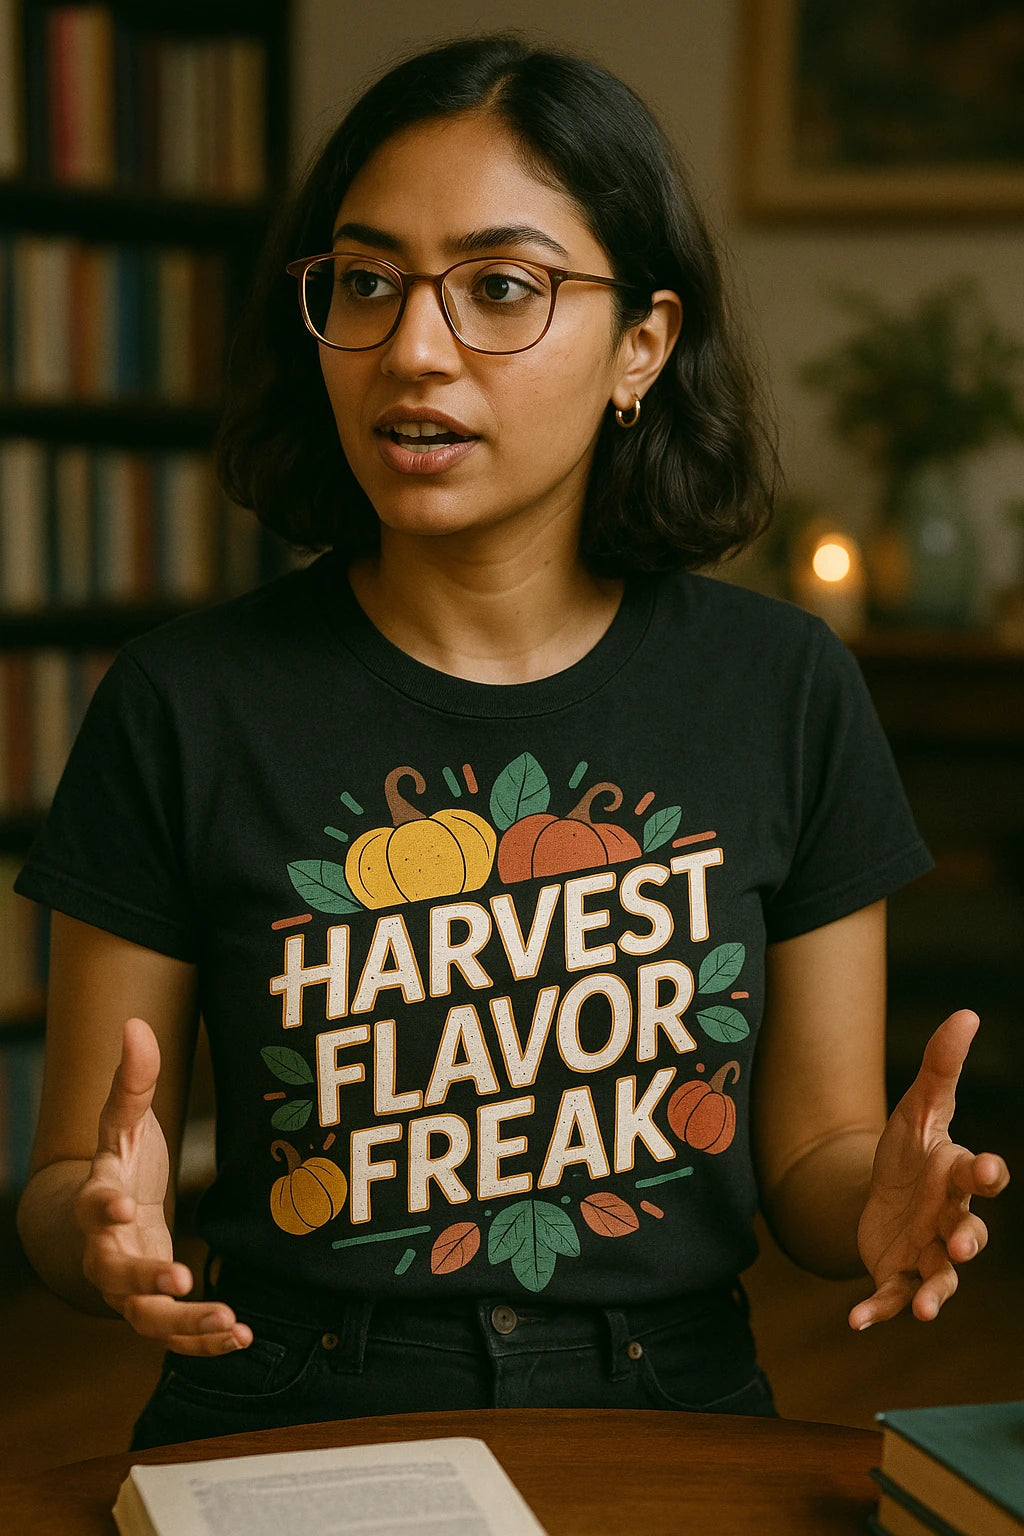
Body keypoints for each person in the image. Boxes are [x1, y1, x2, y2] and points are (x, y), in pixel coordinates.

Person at [15, 31, 1010, 1451]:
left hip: (676, 1399)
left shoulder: (782, 685)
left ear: (642, 347)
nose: (414, 351)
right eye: (366, 283)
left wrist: (881, 1202)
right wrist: (96, 1229)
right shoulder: (184, 702)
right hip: (289, 1402)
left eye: (498, 289)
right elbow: (70, 1178)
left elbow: (811, 1160)